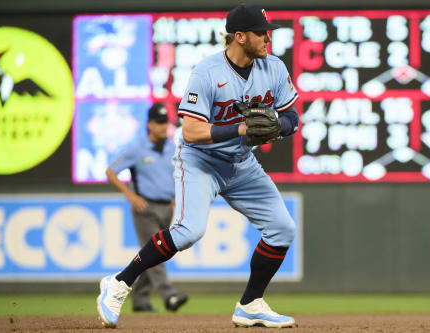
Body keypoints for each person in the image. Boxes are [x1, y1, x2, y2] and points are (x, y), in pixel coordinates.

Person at [97, 4, 299, 328]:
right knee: (189, 231)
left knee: (283, 229)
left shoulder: (273, 67)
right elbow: (190, 132)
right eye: (261, 32)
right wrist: (242, 129)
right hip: (199, 162)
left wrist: (277, 124)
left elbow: (292, 117)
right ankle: (119, 283)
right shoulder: (208, 72)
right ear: (240, 36)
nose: (267, 37)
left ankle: (250, 304)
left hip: (241, 163)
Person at [104, 103, 188, 314]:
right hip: (145, 208)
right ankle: (169, 295)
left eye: (165, 123)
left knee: (153, 254)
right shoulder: (137, 148)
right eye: (159, 123)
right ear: (149, 124)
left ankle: (140, 300)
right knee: (156, 251)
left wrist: (176, 198)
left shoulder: (172, 147)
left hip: (167, 207)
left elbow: (180, 174)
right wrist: (130, 195)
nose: (163, 127)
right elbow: (111, 171)